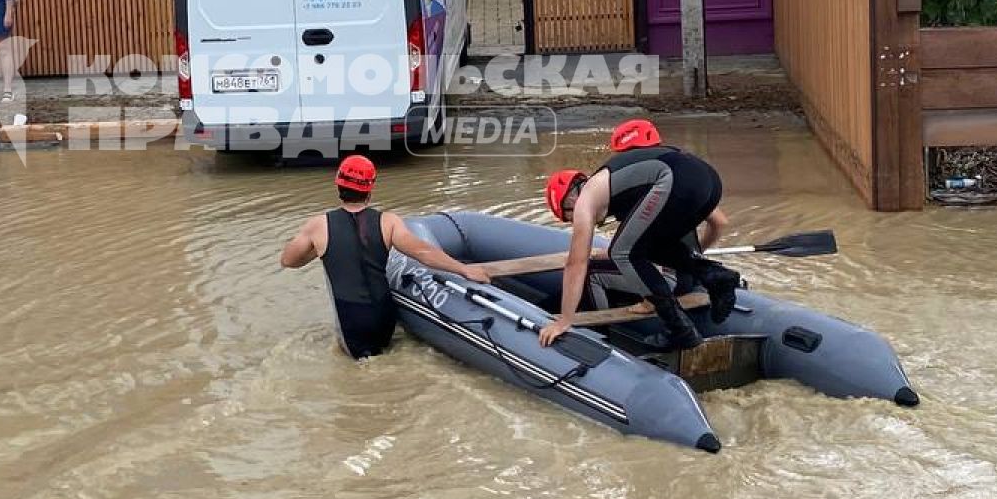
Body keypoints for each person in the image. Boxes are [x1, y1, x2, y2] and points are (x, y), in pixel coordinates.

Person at [537, 119, 742, 352]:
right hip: (709, 181)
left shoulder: (587, 198)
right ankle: (716, 275)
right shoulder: (630, 187)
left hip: (676, 180)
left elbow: (576, 263)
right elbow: (718, 222)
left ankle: (680, 330)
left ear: (569, 200)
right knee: (646, 247)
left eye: (569, 217)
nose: (575, 223)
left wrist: (565, 320)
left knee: (621, 252)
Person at [279, 156, 493, 360]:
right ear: (369, 190)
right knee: (382, 355)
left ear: (338, 187)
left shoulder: (318, 225)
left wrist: (317, 250)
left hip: (351, 317)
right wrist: (465, 270)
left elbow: (288, 260)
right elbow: (423, 252)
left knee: (360, 370)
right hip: (384, 313)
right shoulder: (388, 222)